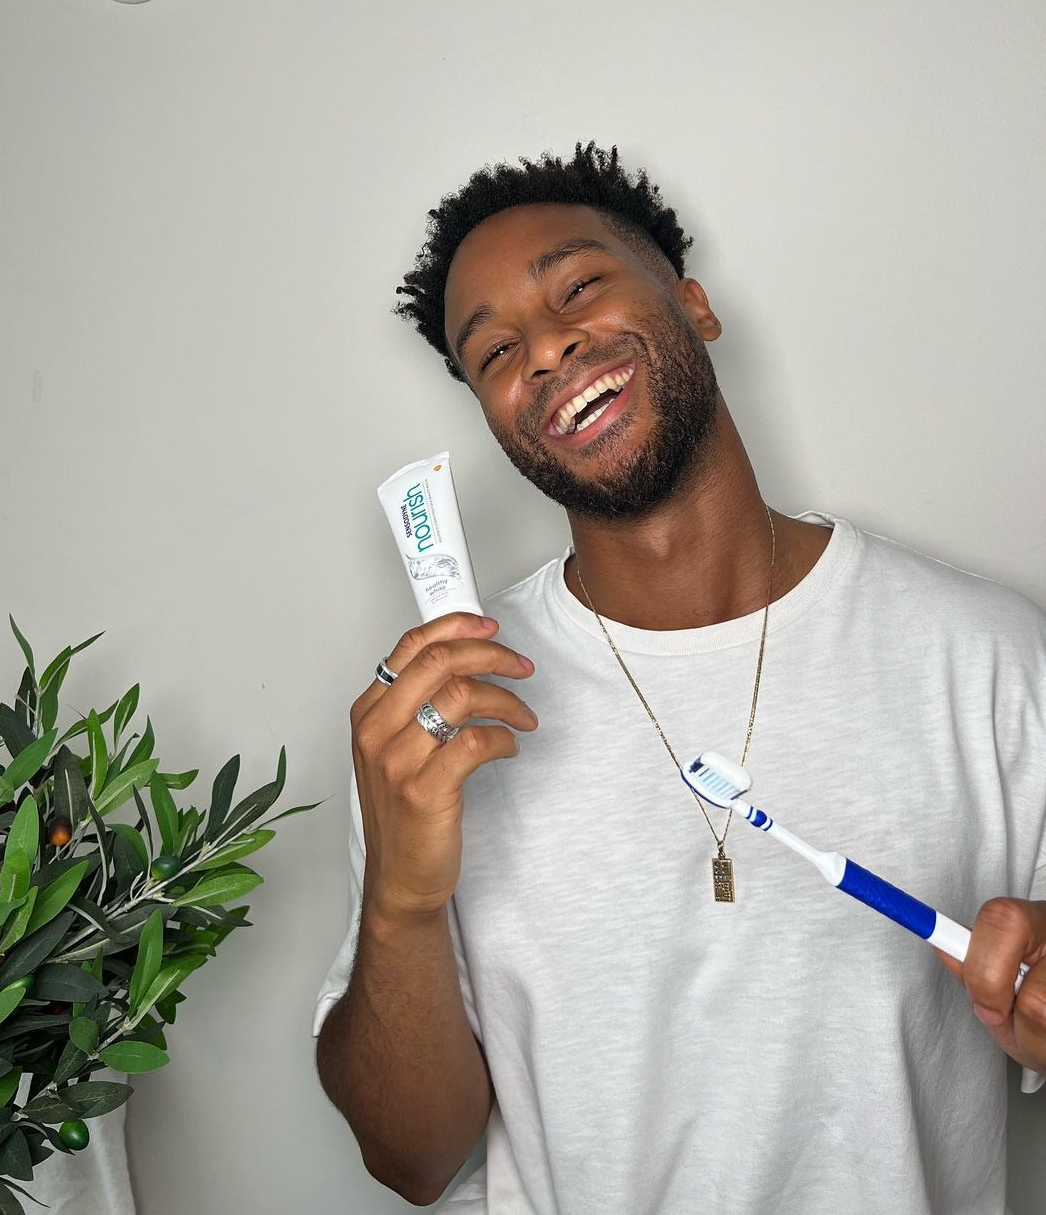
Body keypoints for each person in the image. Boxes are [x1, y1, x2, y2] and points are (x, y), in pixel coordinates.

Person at [313, 143, 1046, 1214]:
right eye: (498, 349)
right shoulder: (437, 716)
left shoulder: (987, 656)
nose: (548, 347)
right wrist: (400, 903)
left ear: (693, 304)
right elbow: (412, 1159)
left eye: (579, 287)